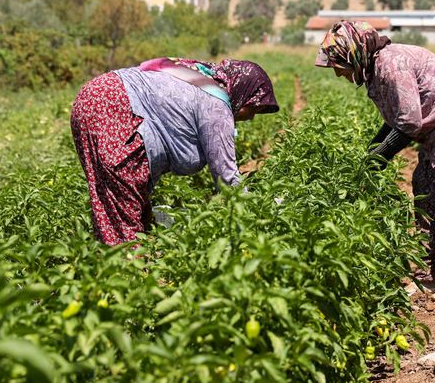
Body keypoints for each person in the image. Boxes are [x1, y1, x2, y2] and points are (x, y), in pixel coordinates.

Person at [314, 21, 435, 307]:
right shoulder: (377, 69)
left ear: (354, 54)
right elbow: (396, 119)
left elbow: (409, 122)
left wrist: (380, 156)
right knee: (426, 190)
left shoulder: (391, 64)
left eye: (339, 64)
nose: (338, 71)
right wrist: (371, 155)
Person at [70, 57, 279, 245]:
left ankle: (115, 263)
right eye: (252, 107)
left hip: (94, 96)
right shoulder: (216, 105)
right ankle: (129, 276)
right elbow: (226, 177)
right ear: (244, 91)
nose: (251, 117)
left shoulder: (200, 76)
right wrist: (257, 214)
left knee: (116, 198)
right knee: (124, 213)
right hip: (115, 105)